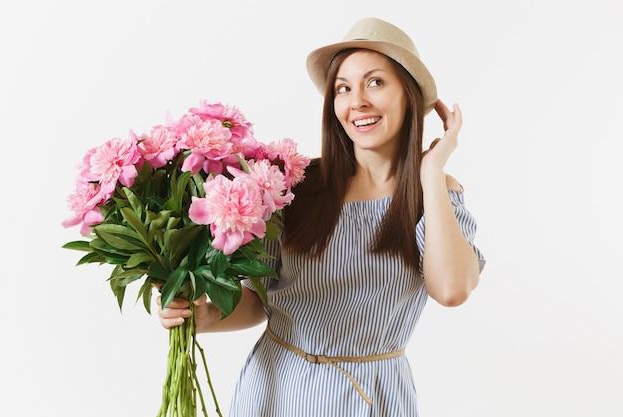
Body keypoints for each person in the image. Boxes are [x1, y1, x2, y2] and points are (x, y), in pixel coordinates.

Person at [157, 16, 486, 416]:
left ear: (409, 95)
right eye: (343, 89)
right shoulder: (297, 185)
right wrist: (207, 316)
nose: (357, 101)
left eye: (375, 82)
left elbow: (452, 290)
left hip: (372, 396)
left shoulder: (434, 195)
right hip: (277, 388)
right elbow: (263, 299)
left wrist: (431, 172)